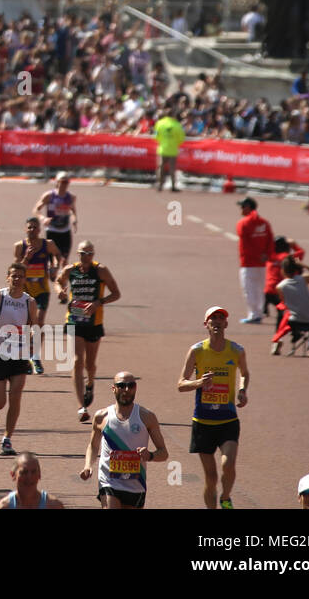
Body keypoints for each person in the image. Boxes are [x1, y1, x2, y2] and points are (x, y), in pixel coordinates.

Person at [178, 306, 250, 509]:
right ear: (206, 325)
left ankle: (226, 497)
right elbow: (181, 384)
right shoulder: (197, 350)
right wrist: (199, 382)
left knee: (228, 464)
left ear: (226, 324)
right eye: (213, 319)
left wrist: (242, 390)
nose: (217, 321)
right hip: (202, 422)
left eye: (221, 318)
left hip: (228, 420)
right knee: (211, 477)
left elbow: (244, 373)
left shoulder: (236, 350)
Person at [80, 371, 168, 509]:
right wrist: (88, 466)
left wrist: (150, 455)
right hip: (109, 481)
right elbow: (93, 446)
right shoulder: (101, 417)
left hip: (136, 483)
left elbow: (163, 453)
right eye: (121, 385)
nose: (126, 390)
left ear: (135, 388)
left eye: (131, 385)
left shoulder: (147, 417)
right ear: (113, 388)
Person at [55, 241, 121, 422]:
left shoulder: (101, 271)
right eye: (83, 253)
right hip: (74, 319)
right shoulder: (70, 270)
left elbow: (116, 293)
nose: (86, 257)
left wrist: (98, 303)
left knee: (90, 364)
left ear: (93, 255)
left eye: (90, 253)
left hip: (94, 322)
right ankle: (81, 406)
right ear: (78, 254)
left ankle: (90, 383)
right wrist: (60, 291)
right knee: (77, 360)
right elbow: (58, 282)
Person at [0, 262, 37, 456]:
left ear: (25, 279)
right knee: (1, 400)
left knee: (15, 396)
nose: (17, 279)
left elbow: (33, 326)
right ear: (8, 277)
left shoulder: (30, 302)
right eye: (13, 275)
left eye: (21, 276)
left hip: (19, 354)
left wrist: (31, 342)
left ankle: (7, 439)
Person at [13, 216, 62, 376]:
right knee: (26, 325)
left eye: (35, 227)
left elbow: (58, 256)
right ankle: (26, 358)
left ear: (39, 229)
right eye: (30, 227)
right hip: (26, 292)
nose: (32, 230)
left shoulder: (47, 244)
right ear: (25, 229)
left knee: (39, 323)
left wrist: (54, 267)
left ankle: (35, 356)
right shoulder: (20, 246)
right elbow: (16, 268)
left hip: (41, 290)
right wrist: (27, 257)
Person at [270, 257, 309, 356]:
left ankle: (277, 341)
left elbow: (285, 302)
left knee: (284, 314)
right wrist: (304, 265)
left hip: (296, 322)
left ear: (282, 270)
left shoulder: (280, 287)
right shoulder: (304, 279)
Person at [235, 197, 274, 324]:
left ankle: (254, 314)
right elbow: (270, 241)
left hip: (248, 262)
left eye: (242, 207)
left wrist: (257, 255)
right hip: (263, 262)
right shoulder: (264, 223)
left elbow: (246, 243)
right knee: (259, 289)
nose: (240, 209)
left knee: (249, 290)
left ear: (248, 207)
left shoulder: (243, 223)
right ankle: (258, 312)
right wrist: (266, 255)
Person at [0, 453, 65, 509]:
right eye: (24, 472)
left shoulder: (53, 505)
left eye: (33, 472)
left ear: (39, 475)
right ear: (13, 475)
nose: (29, 477)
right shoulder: (4, 506)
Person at [33, 173, 77, 259]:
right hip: (52, 230)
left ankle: (62, 271)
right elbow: (36, 210)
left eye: (66, 182)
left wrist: (74, 220)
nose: (64, 184)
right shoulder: (49, 196)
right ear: (57, 182)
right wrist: (43, 218)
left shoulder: (71, 197)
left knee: (64, 259)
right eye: (62, 181)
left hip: (65, 231)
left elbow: (72, 211)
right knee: (52, 260)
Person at [153, 108, 185, 191]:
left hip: (162, 148)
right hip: (173, 149)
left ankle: (160, 185)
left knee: (161, 167)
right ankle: (173, 186)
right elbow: (181, 138)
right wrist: (174, 143)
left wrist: (162, 141)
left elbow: (156, 136)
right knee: (172, 168)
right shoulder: (177, 125)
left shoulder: (159, 123)